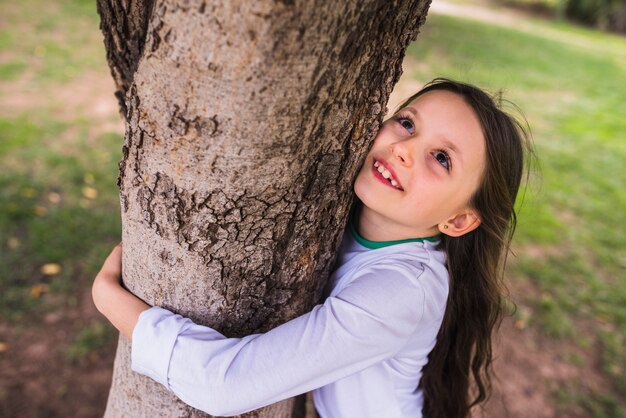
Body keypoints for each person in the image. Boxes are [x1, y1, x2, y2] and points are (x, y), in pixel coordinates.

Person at [92, 78, 533, 418]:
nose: (403, 149)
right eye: (408, 123)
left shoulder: (401, 291)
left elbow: (225, 382)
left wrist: (110, 300)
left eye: (442, 159)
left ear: (457, 220)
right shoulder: (354, 219)